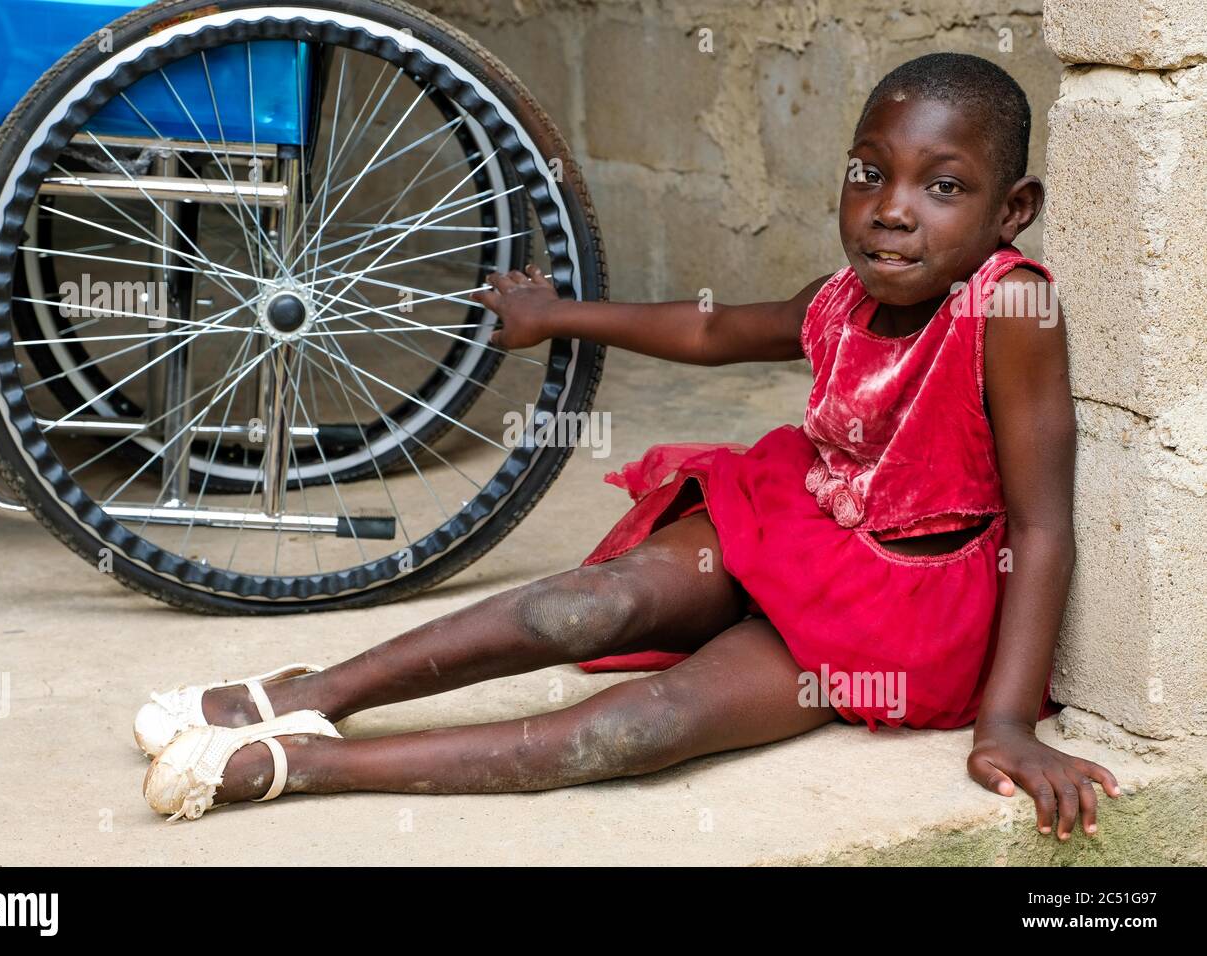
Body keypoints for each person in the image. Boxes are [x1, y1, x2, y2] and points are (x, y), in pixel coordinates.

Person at [137, 51, 1121, 839]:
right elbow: (711, 330)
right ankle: (312, 694)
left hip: (894, 609)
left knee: (640, 727)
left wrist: (1005, 723)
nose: (891, 207)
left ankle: (306, 764)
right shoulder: (848, 290)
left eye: (941, 186)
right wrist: (556, 313)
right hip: (799, 519)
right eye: (870, 173)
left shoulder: (1010, 303)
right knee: (581, 604)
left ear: (1011, 211)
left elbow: (1039, 527)